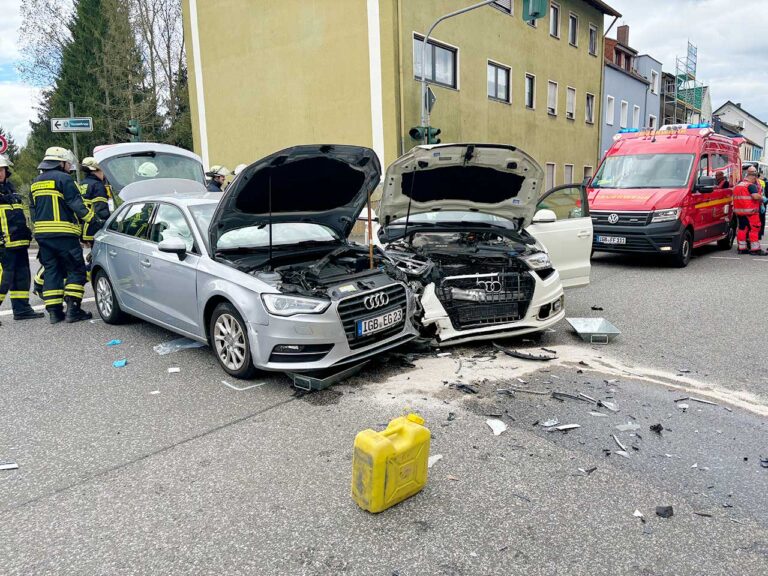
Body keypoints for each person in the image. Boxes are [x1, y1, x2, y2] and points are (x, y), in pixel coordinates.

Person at [31, 147, 97, 323]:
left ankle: (54, 313)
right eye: (67, 163)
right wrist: (93, 220)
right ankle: (73, 310)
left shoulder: (35, 181)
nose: (69, 166)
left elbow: (32, 209)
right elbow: (75, 203)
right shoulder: (64, 179)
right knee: (76, 269)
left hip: (43, 236)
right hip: (64, 235)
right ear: (60, 162)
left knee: (52, 271)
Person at [0, 154, 44, 320]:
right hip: (3, 245)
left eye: (2, 169)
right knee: (3, 280)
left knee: (22, 277)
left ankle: (21, 309)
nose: (0, 173)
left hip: (19, 242)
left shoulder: (11, 190)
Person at [733, 166, 765, 255]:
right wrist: (762, 198)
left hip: (740, 212)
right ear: (753, 177)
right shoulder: (750, 185)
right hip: (751, 212)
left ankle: (742, 248)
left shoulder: (738, 185)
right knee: (754, 229)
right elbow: (755, 196)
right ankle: (755, 249)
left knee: (742, 229)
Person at [79, 157, 111, 243]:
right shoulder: (97, 185)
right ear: (96, 170)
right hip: (94, 230)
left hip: (83, 228)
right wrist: (109, 225)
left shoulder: (82, 184)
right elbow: (101, 209)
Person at [758, 171, 767, 240]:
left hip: (758, 203)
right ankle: (760, 233)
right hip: (762, 202)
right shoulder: (763, 182)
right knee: (762, 219)